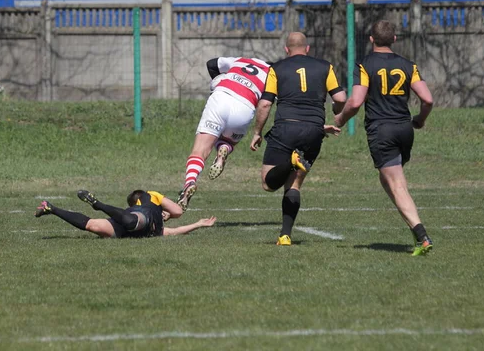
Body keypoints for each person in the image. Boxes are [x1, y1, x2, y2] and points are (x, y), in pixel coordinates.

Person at [334, 20, 434, 256]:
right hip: (404, 129)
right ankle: (414, 228)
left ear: (371, 39)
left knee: (397, 184)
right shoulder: (408, 65)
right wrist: (420, 119)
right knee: (387, 179)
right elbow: (428, 99)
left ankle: (422, 236)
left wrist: (339, 119)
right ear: (395, 39)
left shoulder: (366, 64)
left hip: (382, 131)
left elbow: (356, 102)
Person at [250, 32, 346, 246]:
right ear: (307, 48)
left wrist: (257, 132)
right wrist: (334, 112)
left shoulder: (276, 69)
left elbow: (265, 104)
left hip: (285, 128)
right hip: (313, 132)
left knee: (268, 183)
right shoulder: (325, 67)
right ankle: (285, 235)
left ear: (286, 49)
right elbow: (340, 98)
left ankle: (290, 161)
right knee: (294, 184)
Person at [177, 56, 271, 211]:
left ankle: (190, 182)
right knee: (229, 140)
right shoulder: (272, 72)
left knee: (200, 151)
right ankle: (225, 149)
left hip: (222, 95)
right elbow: (267, 102)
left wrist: (218, 80)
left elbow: (211, 63)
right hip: (246, 106)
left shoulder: (241, 60)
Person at [35, 189, 217, 238]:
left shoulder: (157, 227)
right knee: (133, 221)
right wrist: (169, 213)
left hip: (125, 224)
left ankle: (51, 208)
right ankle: (98, 204)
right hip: (135, 220)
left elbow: (173, 232)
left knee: (92, 225)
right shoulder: (150, 196)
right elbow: (178, 211)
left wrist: (198, 224)